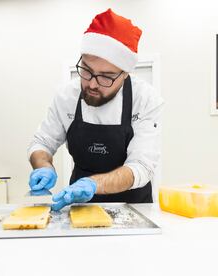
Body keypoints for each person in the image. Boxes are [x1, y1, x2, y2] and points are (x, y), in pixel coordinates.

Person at [27, 9, 164, 211]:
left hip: (134, 208)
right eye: (87, 71)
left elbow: (141, 166)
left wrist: (94, 184)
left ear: (125, 74)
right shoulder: (67, 96)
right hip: (79, 205)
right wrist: (43, 166)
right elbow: (42, 143)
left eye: (106, 77)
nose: (92, 84)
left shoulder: (144, 99)